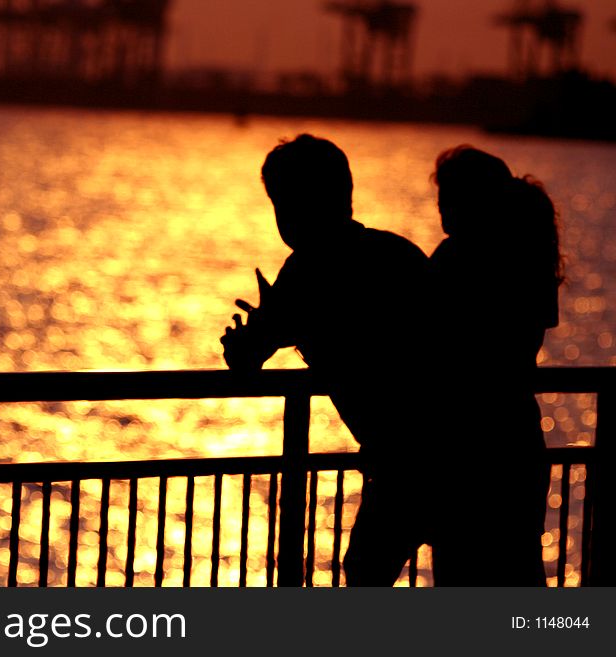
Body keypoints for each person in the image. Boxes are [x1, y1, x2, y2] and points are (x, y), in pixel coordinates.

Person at [220, 134, 432, 586]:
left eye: (281, 203)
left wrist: (246, 334)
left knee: (363, 578)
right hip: (463, 447)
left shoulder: (307, 269)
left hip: (401, 461)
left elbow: (247, 358)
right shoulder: (401, 253)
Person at [428, 145, 563, 585]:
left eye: (447, 195)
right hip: (519, 436)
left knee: (463, 573)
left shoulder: (454, 260)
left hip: (466, 446)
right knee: (520, 569)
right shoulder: (528, 258)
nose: (441, 207)